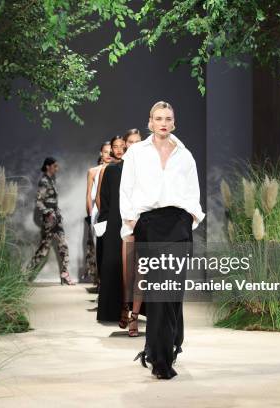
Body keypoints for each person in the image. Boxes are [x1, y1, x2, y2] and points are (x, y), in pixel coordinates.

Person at [120, 102, 204, 379]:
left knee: (173, 294)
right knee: (157, 294)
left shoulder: (185, 155)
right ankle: (159, 357)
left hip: (178, 225)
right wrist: (131, 222)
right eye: (158, 118)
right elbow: (127, 189)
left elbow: (193, 192)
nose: (163, 122)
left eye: (168, 118)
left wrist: (190, 218)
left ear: (174, 122)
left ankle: (167, 346)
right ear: (150, 122)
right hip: (151, 225)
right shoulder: (136, 153)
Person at [28, 157, 75, 285]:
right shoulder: (44, 181)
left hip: (56, 218)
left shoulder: (51, 180)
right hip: (49, 220)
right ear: (48, 166)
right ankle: (27, 276)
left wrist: (56, 212)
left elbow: (53, 201)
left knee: (63, 246)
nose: (57, 168)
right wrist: (48, 213)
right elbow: (39, 202)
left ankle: (64, 275)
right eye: (55, 166)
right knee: (44, 250)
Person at [95, 136, 126, 322]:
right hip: (113, 221)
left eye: (124, 146)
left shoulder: (133, 169)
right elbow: (101, 196)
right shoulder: (110, 170)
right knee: (115, 264)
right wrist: (104, 220)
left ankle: (131, 310)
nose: (121, 149)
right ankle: (119, 309)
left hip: (133, 220)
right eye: (117, 146)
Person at [119, 129, 143, 336]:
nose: (134, 145)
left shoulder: (149, 164)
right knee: (128, 275)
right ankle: (125, 307)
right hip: (128, 224)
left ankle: (134, 317)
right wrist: (130, 220)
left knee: (142, 274)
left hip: (147, 225)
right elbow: (123, 195)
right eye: (131, 142)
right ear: (126, 144)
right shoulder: (123, 165)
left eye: (138, 141)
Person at [82, 142, 111, 284]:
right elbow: (88, 195)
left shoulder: (116, 170)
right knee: (98, 247)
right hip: (97, 212)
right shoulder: (93, 171)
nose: (108, 154)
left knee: (109, 248)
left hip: (112, 211)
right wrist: (89, 216)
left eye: (110, 151)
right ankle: (100, 282)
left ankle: (107, 284)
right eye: (106, 152)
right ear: (101, 153)